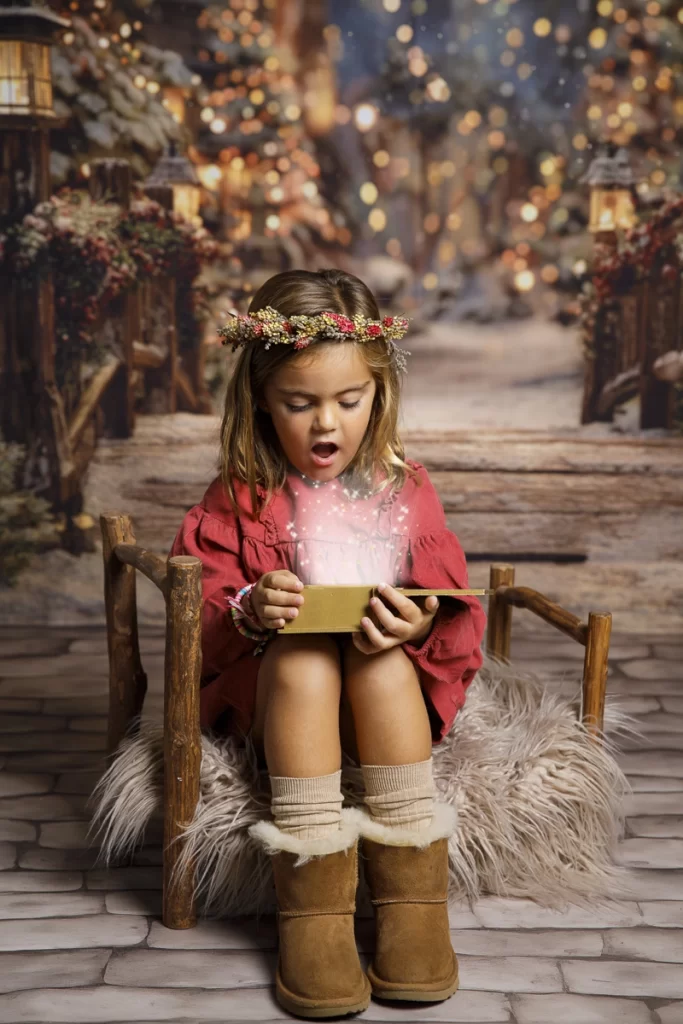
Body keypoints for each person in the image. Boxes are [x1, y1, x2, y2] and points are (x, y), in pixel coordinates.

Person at [169, 268, 487, 1018]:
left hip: (382, 713)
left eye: (349, 401)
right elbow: (205, 620)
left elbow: (447, 609)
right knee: (306, 652)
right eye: (298, 403)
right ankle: (311, 902)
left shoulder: (402, 489)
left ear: (378, 392)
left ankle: (413, 899)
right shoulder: (241, 495)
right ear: (259, 399)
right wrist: (251, 607)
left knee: (374, 655)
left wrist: (418, 618)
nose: (326, 425)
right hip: (280, 711)